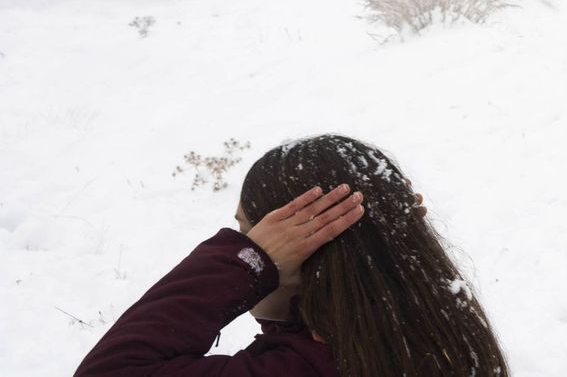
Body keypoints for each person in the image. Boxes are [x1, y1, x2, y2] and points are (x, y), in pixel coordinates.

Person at [74, 134, 510, 377]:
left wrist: (245, 262)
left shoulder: (300, 369)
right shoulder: (435, 338)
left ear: (310, 255)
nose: (251, 244)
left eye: (254, 232)